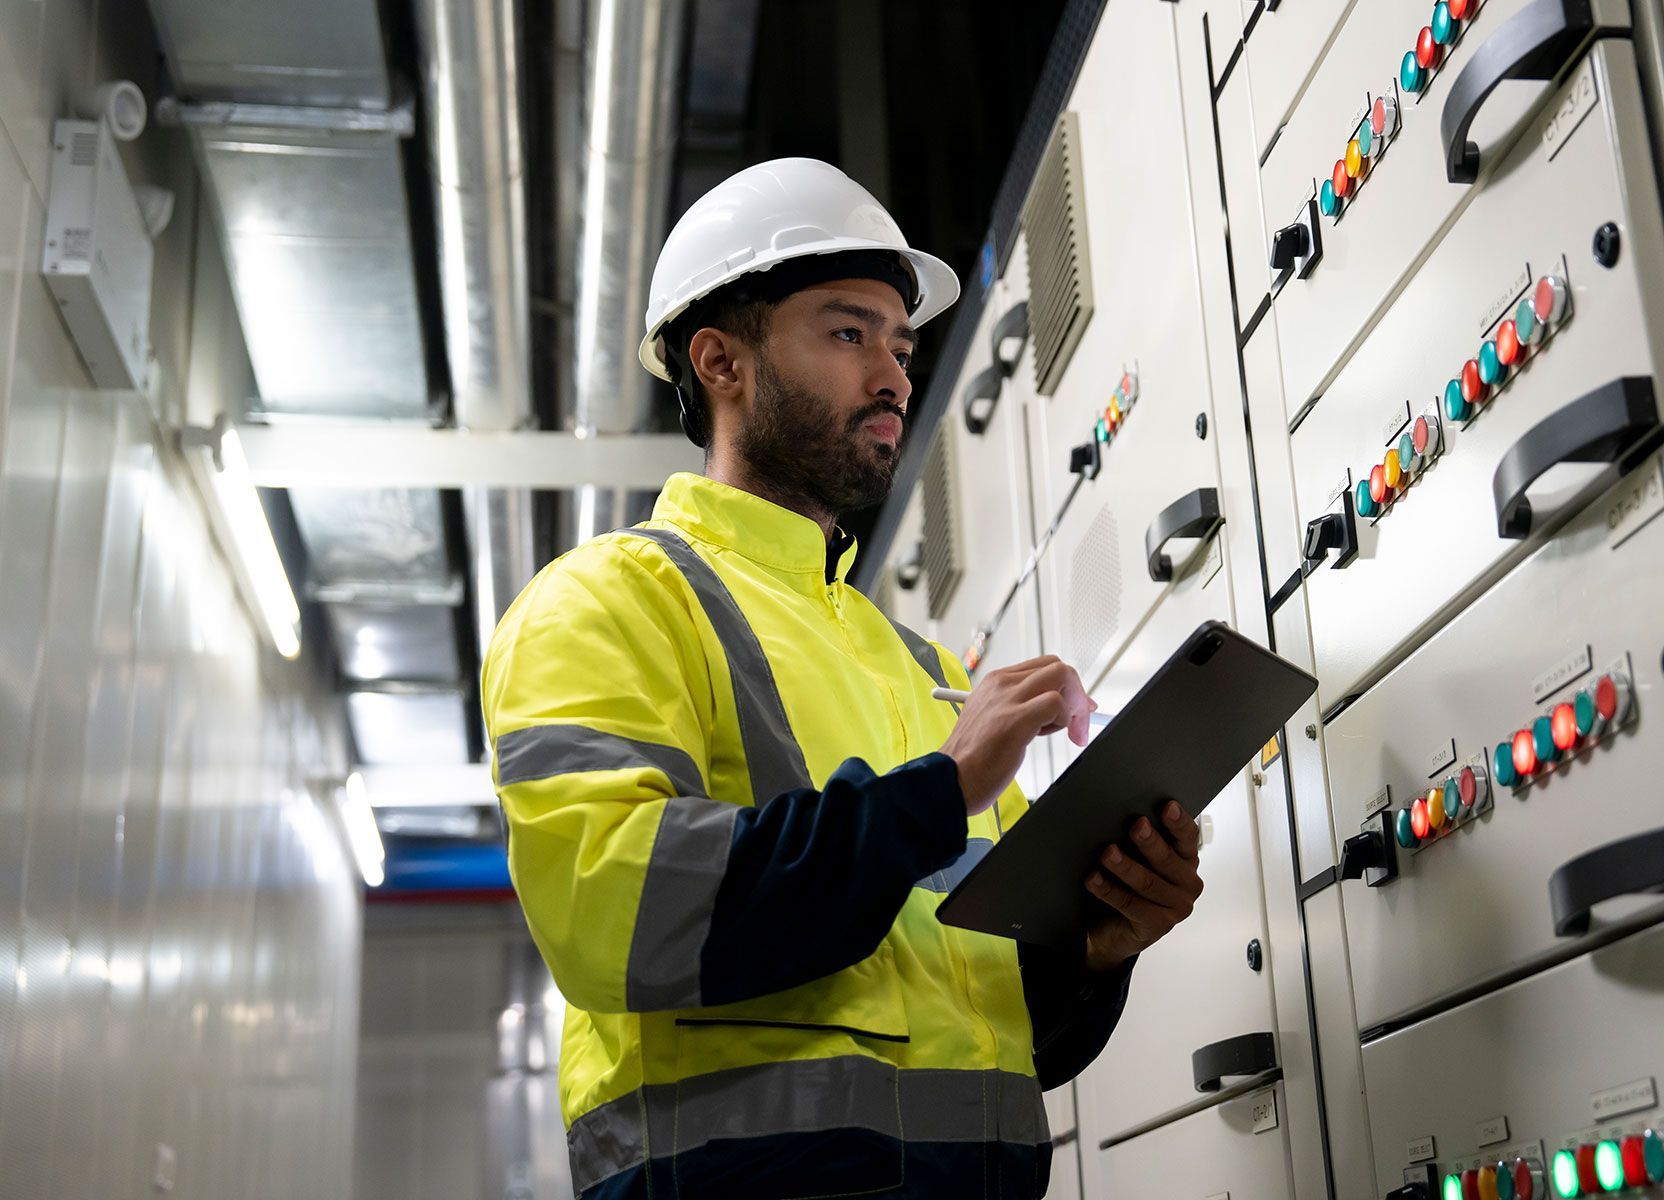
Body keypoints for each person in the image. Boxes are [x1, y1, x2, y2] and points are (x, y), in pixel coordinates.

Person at [481, 158, 1205, 1200]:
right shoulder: (608, 601)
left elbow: (1000, 1035)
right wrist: (942, 790)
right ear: (720, 361)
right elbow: (618, 914)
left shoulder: (923, 671)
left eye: (901, 345)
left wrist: (1098, 950)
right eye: (847, 332)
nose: (894, 376)